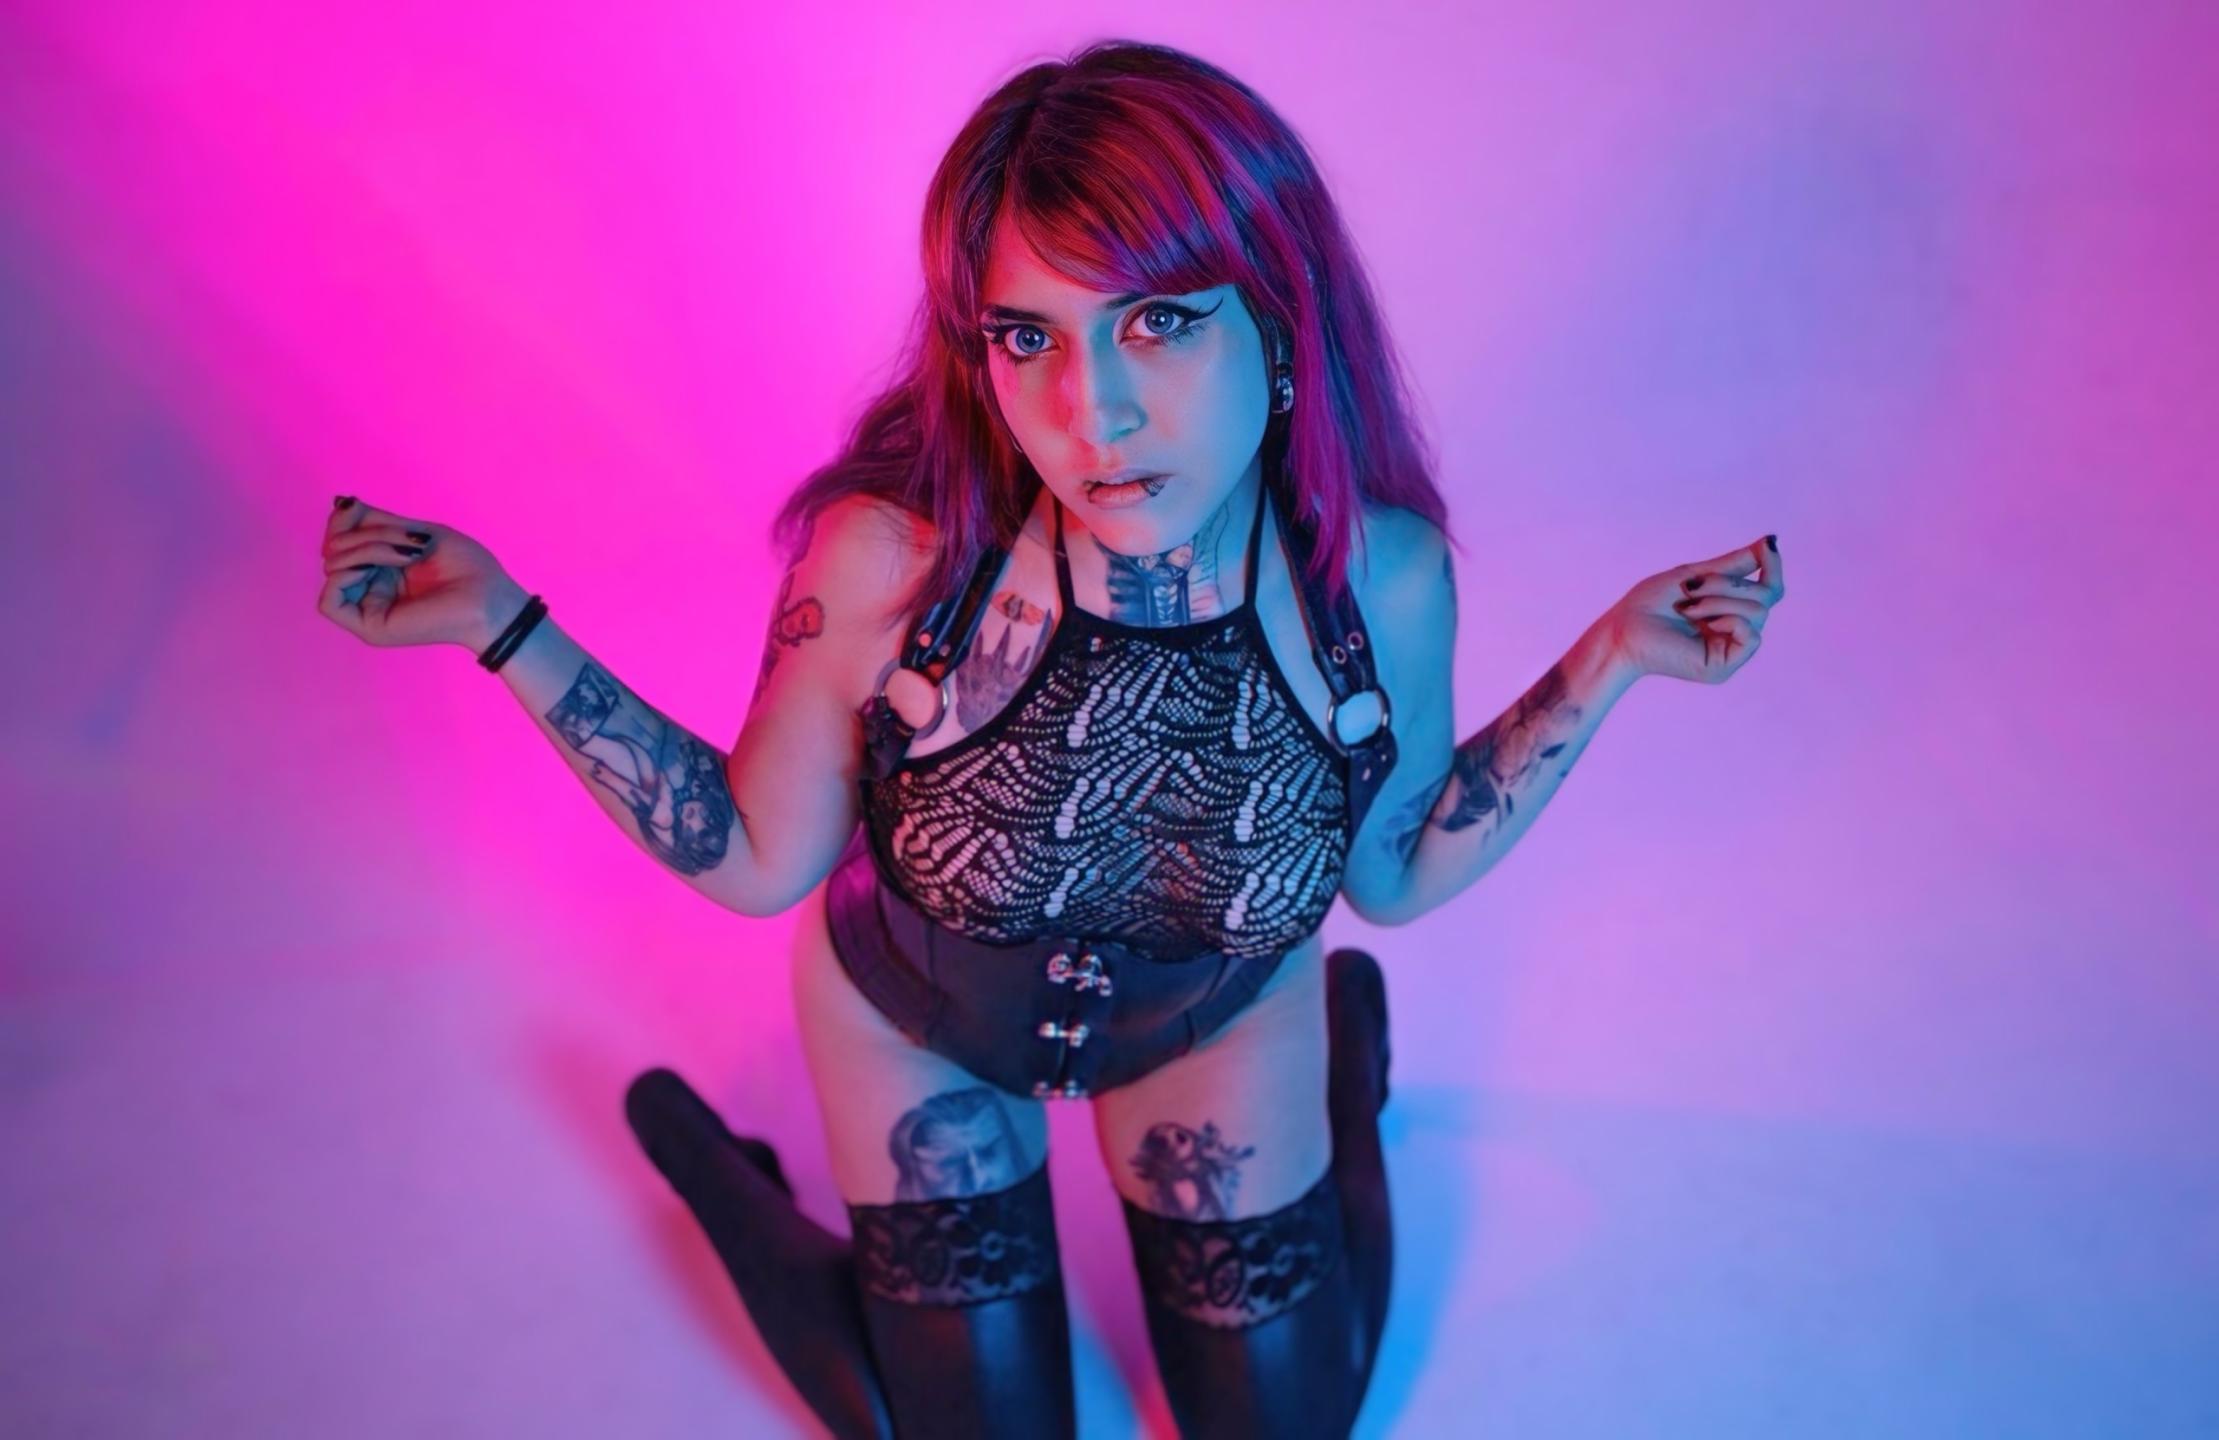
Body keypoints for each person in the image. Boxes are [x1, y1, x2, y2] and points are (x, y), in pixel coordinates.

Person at [316, 38, 1783, 1439]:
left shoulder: (1374, 577)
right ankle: (714, 1169)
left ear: (1278, 319)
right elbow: (758, 860)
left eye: (1158, 321)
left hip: (1216, 1014)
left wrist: (1612, 660)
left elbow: (1390, 875)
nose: (1095, 414)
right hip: (923, 1027)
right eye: (1031, 338)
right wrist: (504, 624)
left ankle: (1345, 1063)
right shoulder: (893, 560)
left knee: (1289, 1429)